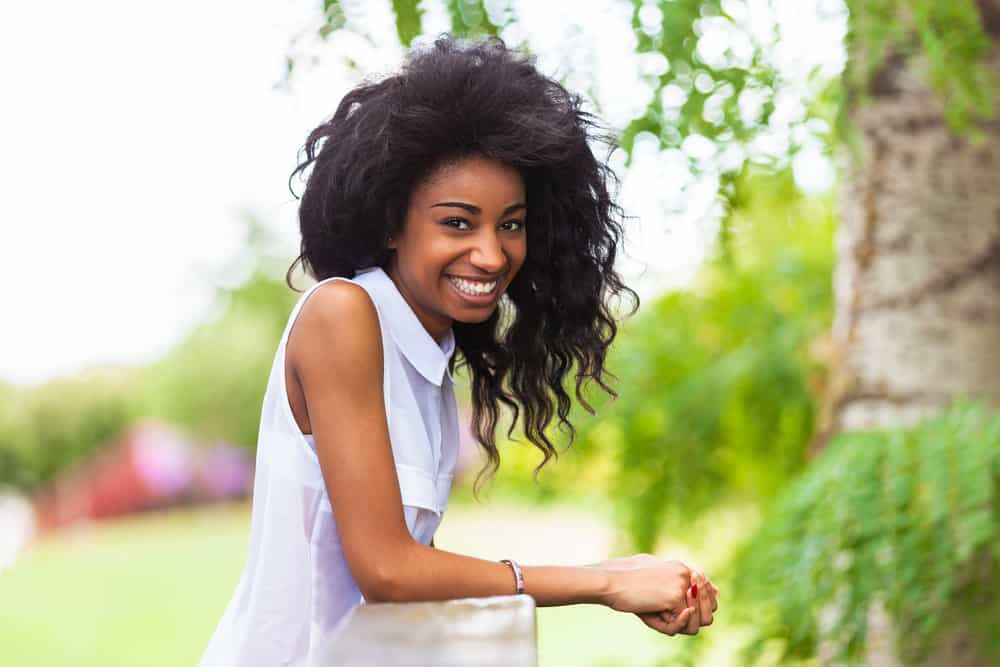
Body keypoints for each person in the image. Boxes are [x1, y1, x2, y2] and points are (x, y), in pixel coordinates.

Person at [198, 34, 719, 667]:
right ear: (392, 222)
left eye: (511, 224)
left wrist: (644, 587)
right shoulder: (344, 314)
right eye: (457, 222)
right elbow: (388, 571)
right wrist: (607, 581)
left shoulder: (428, 350)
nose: (492, 254)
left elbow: (414, 587)